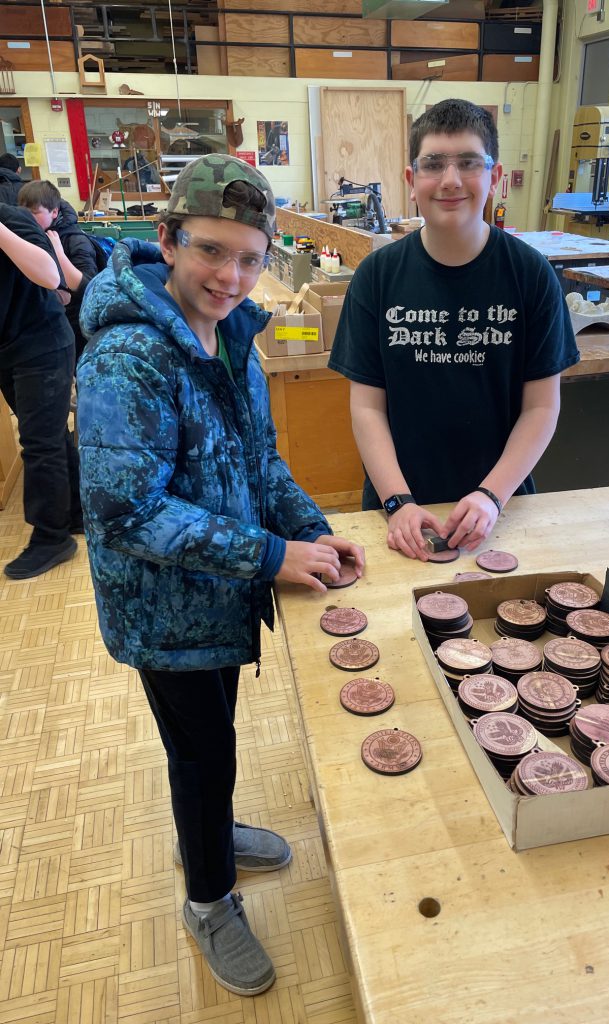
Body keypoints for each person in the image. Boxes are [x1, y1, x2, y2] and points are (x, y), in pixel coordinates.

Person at [76, 154, 364, 997]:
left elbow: (257, 461)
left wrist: (309, 527)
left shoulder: (234, 334)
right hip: (165, 608)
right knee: (200, 749)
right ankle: (208, 899)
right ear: (167, 241)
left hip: (218, 594)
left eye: (249, 257)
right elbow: (125, 511)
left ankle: (208, 828)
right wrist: (272, 557)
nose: (230, 276)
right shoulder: (129, 357)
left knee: (211, 741)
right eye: (210, 251)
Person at [329, 98, 580, 561]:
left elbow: (542, 407)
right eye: (433, 164)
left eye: (468, 162)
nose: (450, 180)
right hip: (398, 511)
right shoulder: (377, 276)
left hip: (502, 509)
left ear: (495, 176)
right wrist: (398, 501)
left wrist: (491, 495)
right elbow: (366, 408)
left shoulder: (531, 274)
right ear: (411, 180)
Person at [0, 202, 80, 579]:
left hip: (43, 344)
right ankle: (78, 510)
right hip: (9, 350)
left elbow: (50, 275)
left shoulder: (11, 219)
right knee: (50, 436)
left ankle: (52, 538)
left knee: (39, 442)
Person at [18, 179, 102, 360]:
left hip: (75, 325)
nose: (26, 218)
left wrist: (59, 254)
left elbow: (89, 287)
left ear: (54, 212)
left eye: (34, 213)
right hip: (40, 326)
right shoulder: (26, 234)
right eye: (23, 212)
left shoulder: (75, 239)